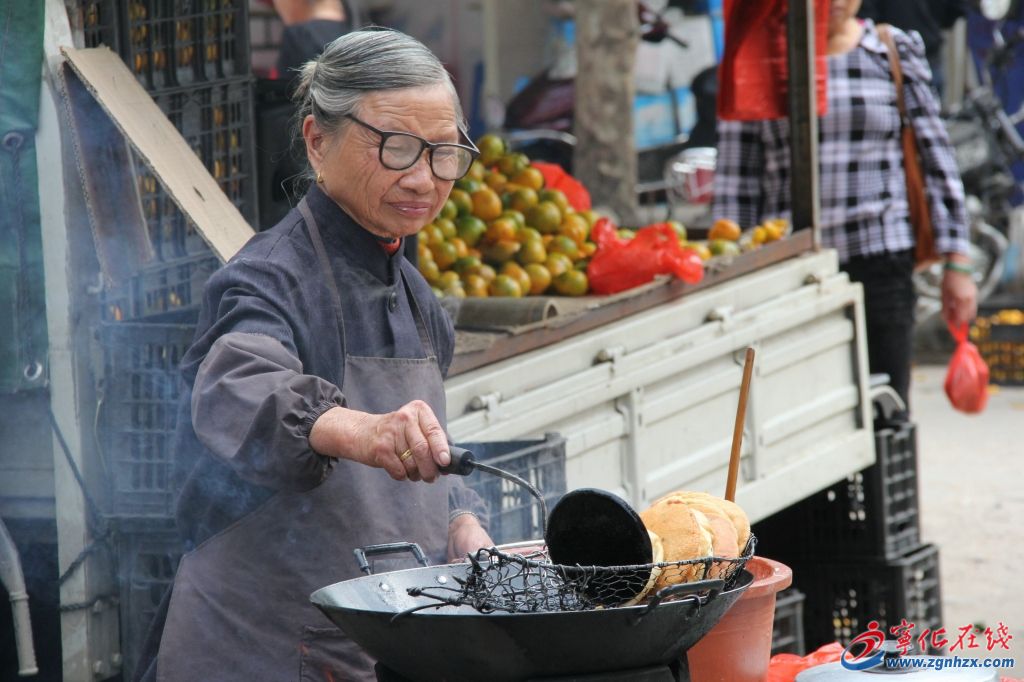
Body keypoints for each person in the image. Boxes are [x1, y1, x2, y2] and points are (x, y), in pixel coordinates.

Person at [136, 28, 492, 682]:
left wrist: (461, 520)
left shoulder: (416, 299)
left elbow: (427, 449)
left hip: (363, 647)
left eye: (444, 153)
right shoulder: (268, 279)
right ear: (316, 140)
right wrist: (356, 429)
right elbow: (239, 386)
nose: (423, 177)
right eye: (395, 147)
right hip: (256, 648)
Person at [713, 0, 978, 408]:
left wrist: (958, 264)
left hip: (881, 261)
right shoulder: (761, 58)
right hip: (791, 272)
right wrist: (731, 277)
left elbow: (936, 158)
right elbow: (737, 181)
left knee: (886, 408)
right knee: (808, 411)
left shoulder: (891, 49)